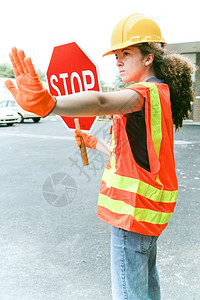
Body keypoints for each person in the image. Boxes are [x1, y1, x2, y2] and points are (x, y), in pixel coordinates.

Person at [5, 13, 194, 300]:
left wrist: (50, 104)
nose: (118, 60)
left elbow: (102, 100)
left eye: (126, 53)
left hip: (130, 217)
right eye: (116, 55)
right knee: (148, 290)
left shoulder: (141, 93)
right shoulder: (161, 94)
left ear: (148, 57)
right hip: (148, 217)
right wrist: (95, 143)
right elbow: (135, 158)